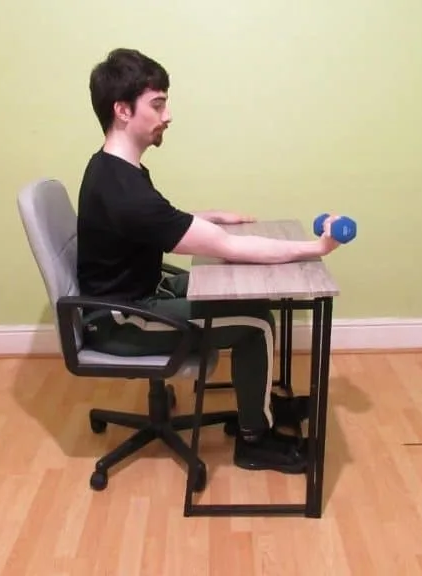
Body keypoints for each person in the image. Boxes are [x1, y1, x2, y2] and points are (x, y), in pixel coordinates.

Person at [76, 48, 344, 474]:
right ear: (123, 111)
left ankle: (262, 407)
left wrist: (208, 217)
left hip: (135, 293)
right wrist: (316, 248)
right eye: (158, 104)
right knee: (255, 323)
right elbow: (226, 246)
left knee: (243, 298)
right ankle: (255, 440)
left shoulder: (113, 169)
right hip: (122, 319)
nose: (167, 115)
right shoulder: (124, 191)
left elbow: (158, 220)